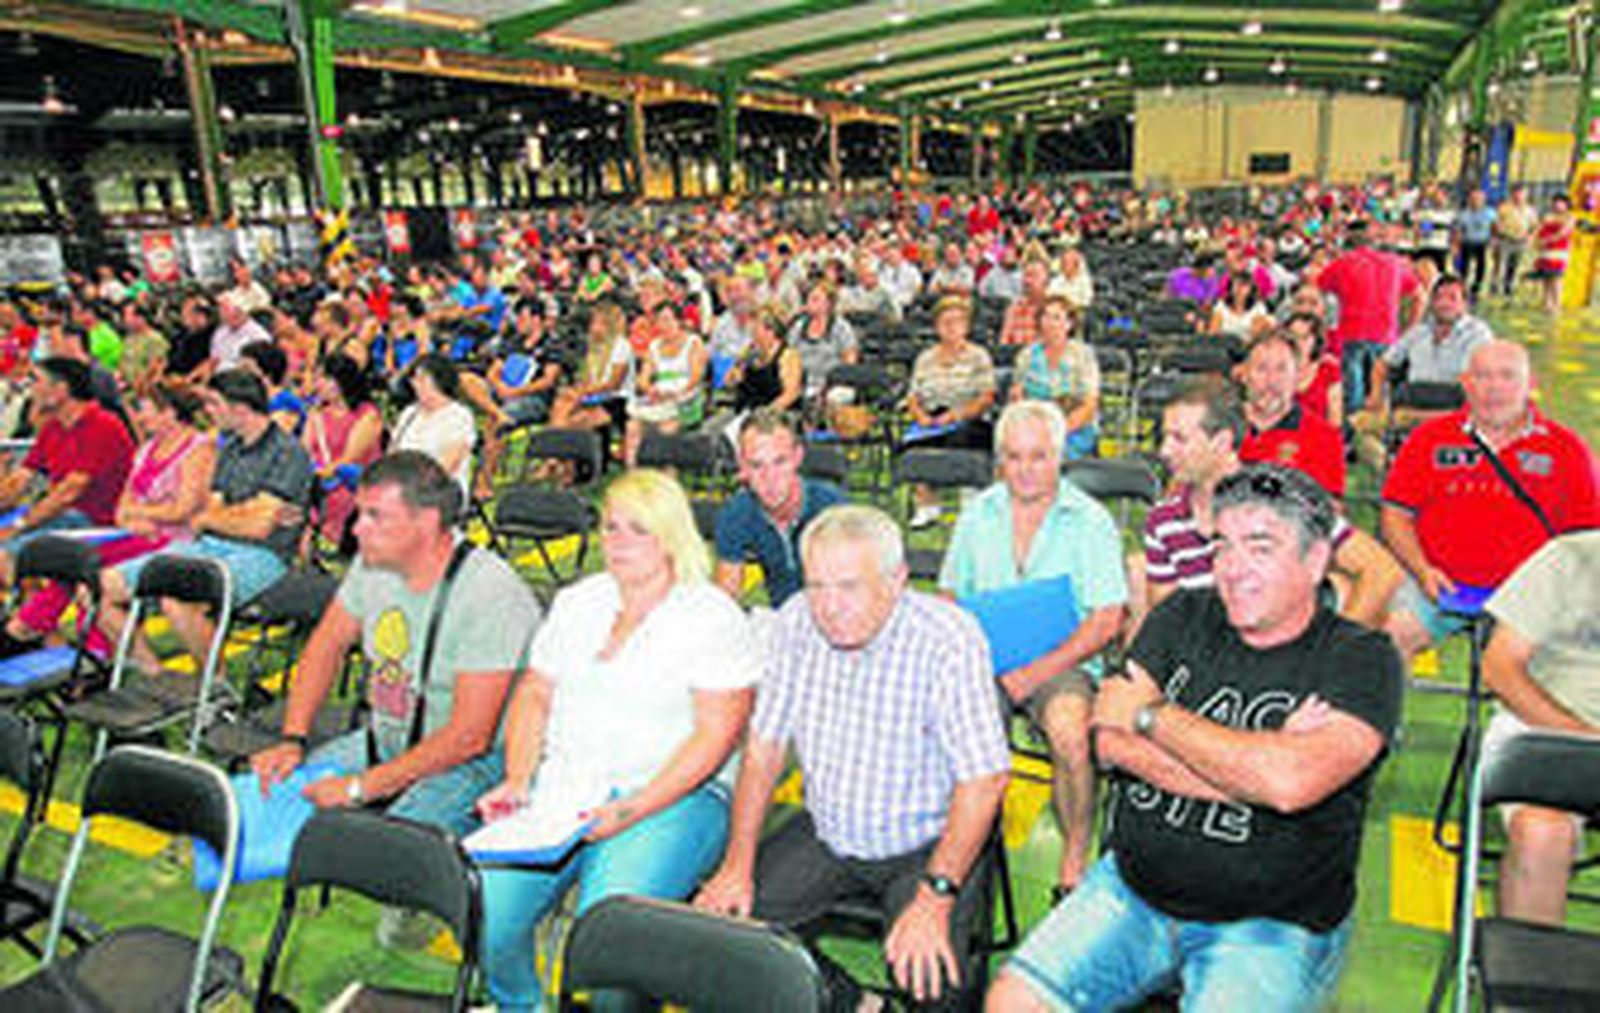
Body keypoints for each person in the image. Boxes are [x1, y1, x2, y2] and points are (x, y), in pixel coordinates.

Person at [990, 462, 1402, 1013]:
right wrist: (1254, 766)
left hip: (1269, 925)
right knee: (1011, 1002)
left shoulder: (1360, 658)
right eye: (1222, 546)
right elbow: (1107, 738)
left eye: (1260, 547)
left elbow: (1289, 782)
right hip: (1132, 890)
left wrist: (1152, 717)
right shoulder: (1183, 613)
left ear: (1315, 561)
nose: (1232, 568)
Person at [695, 504, 1010, 1010]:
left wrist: (935, 897)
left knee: (933, 982)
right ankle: (855, 1003)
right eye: (817, 586)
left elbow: (984, 780)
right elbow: (764, 749)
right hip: (830, 832)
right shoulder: (795, 622)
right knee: (726, 937)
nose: (829, 607)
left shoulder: (947, 638)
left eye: (848, 587)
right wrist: (737, 864)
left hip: (927, 841)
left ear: (896, 580)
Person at [477, 469, 759, 1010]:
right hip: (564, 790)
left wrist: (631, 809)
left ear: (671, 536)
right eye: (610, 527)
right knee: (486, 914)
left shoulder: (711, 616)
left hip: (672, 796)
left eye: (638, 529)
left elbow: (716, 737)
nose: (619, 541)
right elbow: (534, 694)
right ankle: (522, 1005)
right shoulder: (578, 601)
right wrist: (517, 780)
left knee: (606, 947)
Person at [250, 451, 537, 834]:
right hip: (390, 740)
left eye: (375, 516)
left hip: (476, 761)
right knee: (285, 794)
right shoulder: (373, 564)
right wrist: (293, 738)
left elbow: (470, 738)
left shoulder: (490, 592)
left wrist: (360, 787)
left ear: (427, 522)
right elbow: (326, 645)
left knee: (388, 842)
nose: (356, 529)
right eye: (359, 514)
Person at [939, 399, 1128, 897]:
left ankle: (1074, 853)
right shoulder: (978, 514)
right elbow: (949, 596)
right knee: (945, 724)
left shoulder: (1090, 521)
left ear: (1060, 457)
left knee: (1069, 732)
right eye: (1014, 457)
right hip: (986, 658)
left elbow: (1106, 619)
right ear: (1000, 459)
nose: (1025, 470)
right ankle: (957, 846)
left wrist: (1034, 673)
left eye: (1039, 457)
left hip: (1064, 661)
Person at [1381, 340, 1600, 661]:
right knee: (1385, 643)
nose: (1494, 388)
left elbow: (1586, 539)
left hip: (1529, 596)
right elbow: (1396, 513)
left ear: (1530, 384)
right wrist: (1421, 569)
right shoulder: (1428, 439)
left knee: (1525, 669)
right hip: (1435, 584)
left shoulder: (1566, 450)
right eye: (1482, 376)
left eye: (1507, 376)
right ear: (1465, 383)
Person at [1144, 379, 1401, 633]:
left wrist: (1332, 649)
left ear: (1221, 442)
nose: (1164, 450)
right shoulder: (1163, 521)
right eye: (1164, 436)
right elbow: (1168, 625)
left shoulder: (1284, 499)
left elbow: (1382, 571)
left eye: (1179, 439)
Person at [100, 369, 312, 675]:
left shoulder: (288, 453)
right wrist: (245, 513)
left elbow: (257, 529)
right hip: (209, 545)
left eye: (214, 403)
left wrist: (229, 517)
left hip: (263, 555)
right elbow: (206, 517)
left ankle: (215, 685)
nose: (207, 411)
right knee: (101, 586)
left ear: (239, 408)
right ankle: (153, 673)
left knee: (177, 601)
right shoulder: (231, 449)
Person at [0, 384, 213, 657]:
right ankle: (34, 631)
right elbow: (122, 507)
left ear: (168, 413)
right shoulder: (147, 449)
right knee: (69, 560)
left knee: (82, 566)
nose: (139, 417)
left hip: (175, 539)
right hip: (137, 533)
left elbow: (184, 509)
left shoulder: (198, 449)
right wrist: (135, 517)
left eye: (144, 410)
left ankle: (32, 632)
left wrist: (138, 513)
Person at [1480, 531, 1600, 924]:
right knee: (1541, 831)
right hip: (1549, 731)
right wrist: (1581, 736)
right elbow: (1500, 668)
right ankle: (1525, 962)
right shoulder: (1569, 558)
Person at [0, 358, 134, 586]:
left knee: (8, 552)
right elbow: (20, 480)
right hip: (63, 516)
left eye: (36, 381)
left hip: (95, 522)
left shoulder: (104, 426)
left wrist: (18, 526)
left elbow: (68, 493)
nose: (31, 389)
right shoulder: (53, 427)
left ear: (60, 390)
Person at [714, 409, 846, 608]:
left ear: (798, 457)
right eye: (756, 465)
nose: (770, 478)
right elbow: (725, 599)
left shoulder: (832, 508)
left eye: (780, 462)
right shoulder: (736, 513)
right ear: (742, 466)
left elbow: (855, 590)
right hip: (782, 617)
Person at [904, 296, 997, 527]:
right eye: (945, 322)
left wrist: (957, 415)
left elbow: (986, 397)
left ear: (966, 326)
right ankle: (927, 506)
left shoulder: (978, 356)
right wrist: (921, 416)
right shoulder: (925, 358)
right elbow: (913, 396)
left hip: (968, 417)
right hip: (932, 417)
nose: (951, 327)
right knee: (914, 442)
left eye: (957, 321)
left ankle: (970, 502)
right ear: (936, 326)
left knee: (964, 438)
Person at [1315, 219, 1423, 415]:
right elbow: (1420, 295)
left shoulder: (1342, 263)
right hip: (1386, 333)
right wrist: (1410, 328)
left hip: (1351, 331)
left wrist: (1321, 325)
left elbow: (1317, 288)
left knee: (1353, 393)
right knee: (1380, 389)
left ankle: (1352, 426)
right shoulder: (1394, 264)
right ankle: (1380, 424)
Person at [1238, 333, 1346, 497]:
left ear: (1298, 377)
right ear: (1243, 375)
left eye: (1282, 369)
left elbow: (1330, 505)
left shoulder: (1324, 437)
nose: (1271, 380)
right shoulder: (1216, 424)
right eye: (1261, 369)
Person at [302, 353, 383, 547]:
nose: (317, 385)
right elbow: (303, 451)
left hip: (349, 484)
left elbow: (348, 460)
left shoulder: (367, 415)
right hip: (317, 482)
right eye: (316, 378)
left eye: (324, 378)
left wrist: (317, 476)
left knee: (335, 499)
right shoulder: (316, 413)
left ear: (342, 381)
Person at [1008, 296, 1101, 460]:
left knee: (1052, 454)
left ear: (1069, 324)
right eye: (1046, 316)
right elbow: (1018, 396)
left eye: (1057, 318)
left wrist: (1059, 430)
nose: (1051, 323)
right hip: (1034, 425)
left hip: (1073, 426)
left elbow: (1089, 405)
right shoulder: (1027, 355)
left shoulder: (1083, 356)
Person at [624, 302, 707, 467]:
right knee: (632, 427)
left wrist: (676, 393)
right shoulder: (654, 346)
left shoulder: (693, 343)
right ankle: (632, 472)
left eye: (668, 320)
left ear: (679, 321)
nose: (664, 325)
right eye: (659, 321)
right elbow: (643, 379)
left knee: (666, 429)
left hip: (685, 400)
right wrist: (650, 390)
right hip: (659, 398)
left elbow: (696, 377)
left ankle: (667, 471)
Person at [393, 354, 477, 501]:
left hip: (440, 490)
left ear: (440, 381)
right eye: (414, 379)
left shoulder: (459, 416)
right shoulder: (409, 413)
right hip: (403, 484)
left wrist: (412, 488)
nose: (416, 385)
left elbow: (447, 466)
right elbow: (393, 453)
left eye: (423, 379)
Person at [547, 300, 631, 433]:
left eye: (599, 323)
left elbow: (613, 384)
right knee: (561, 403)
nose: (593, 327)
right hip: (593, 394)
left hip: (615, 399)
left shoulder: (621, 345)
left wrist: (583, 392)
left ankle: (559, 439)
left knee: (574, 420)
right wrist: (576, 390)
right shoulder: (593, 346)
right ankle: (554, 440)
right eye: (593, 322)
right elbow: (585, 378)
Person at [725, 305, 803, 416]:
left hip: (776, 414)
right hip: (747, 409)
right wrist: (735, 376)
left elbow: (791, 393)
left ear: (770, 331)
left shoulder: (788, 356)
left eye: (756, 328)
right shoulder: (750, 351)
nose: (752, 331)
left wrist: (767, 412)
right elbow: (728, 381)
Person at [1492, 184, 1539, 299]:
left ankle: (1508, 287)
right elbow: (1496, 223)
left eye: (1521, 194)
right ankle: (1495, 286)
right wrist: (1496, 236)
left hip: (1520, 241)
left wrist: (1530, 236)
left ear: (1525, 195)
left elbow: (1535, 226)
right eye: (1516, 194)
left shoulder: (1530, 210)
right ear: (1512, 195)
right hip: (1506, 239)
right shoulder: (1504, 208)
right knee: (1500, 264)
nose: (1518, 196)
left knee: (1514, 265)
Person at [1531, 194, 1574, 314]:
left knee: (1556, 278)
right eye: (1555, 202)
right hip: (1545, 251)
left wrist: (1546, 240)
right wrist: (1534, 239)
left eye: (1560, 202)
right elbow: (1538, 229)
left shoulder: (1570, 217)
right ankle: (1546, 303)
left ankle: (1557, 305)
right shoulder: (1547, 216)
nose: (1557, 205)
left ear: (1566, 204)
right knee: (1546, 277)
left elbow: (1562, 233)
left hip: (1559, 251)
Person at [209, 293, 271, 374]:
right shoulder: (220, 331)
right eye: (223, 309)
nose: (225, 313)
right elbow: (214, 360)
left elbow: (255, 369)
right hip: (218, 375)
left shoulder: (259, 336)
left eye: (237, 310)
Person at [1454, 188, 1496, 302]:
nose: (1476, 201)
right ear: (1469, 200)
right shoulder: (1463, 214)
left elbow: (1494, 228)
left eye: (1478, 199)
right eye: (1473, 199)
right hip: (1467, 242)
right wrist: (1456, 246)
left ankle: (1476, 289)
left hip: (1482, 243)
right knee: (1464, 268)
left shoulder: (1490, 213)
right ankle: (1463, 289)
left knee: (1481, 267)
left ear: (1483, 200)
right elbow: (1458, 231)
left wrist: (1493, 242)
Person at [1207, 272, 1272, 344]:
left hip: (1247, 346)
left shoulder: (1258, 308)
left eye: (1244, 285)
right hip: (1223, 345)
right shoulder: (1221, 305)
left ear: (1251, 289)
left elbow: (1257, 336)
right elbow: (1213, 331)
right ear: (1231, 287)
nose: (1239, 288)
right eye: (1236, 284)